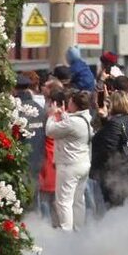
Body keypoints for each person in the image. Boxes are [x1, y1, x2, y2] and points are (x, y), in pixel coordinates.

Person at [47, 88, 94, 231]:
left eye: (70, 103)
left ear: (75, 105)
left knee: (63, 202)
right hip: (83, 163)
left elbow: (50, 131)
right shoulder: (86, 118)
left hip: (69, 165)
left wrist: (51, 115)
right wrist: (63, 114)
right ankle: (78, 231)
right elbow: (71, 123)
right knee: (78, 201)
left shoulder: (73, 122)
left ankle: (66, 234)